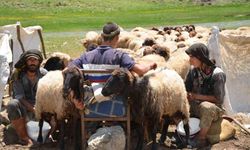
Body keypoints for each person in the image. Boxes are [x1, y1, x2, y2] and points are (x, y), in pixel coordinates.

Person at [70, 22, 157, 110]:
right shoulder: (120, 56)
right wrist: (150, 65)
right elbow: (140, 70)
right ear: (116, 37)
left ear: (102, 37)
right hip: (117, 106)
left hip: (90, 107)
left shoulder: (86, 56)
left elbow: (67, 71)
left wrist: (75, 98)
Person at [184, 43, 226, 148]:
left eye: (191, 57)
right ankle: (184, 132)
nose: (190, 61)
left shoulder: (217, 74)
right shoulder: (193, 72)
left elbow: (218, 99)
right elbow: (185, 89)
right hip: (196, 105)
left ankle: (201, 139)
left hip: (213, 109)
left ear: (200, 57)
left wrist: (196, 96)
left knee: (206, 107)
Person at [7, 49, 47, 145]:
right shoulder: (18, 75)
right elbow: (20, 97)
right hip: (24, 106)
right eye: (30, 60)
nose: (32, 62)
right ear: (26, 62)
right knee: (12, 104)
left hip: (42, 106)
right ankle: (24, 138)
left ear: (39, 62)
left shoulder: (45, 74)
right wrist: (33, 109)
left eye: (35, 60)